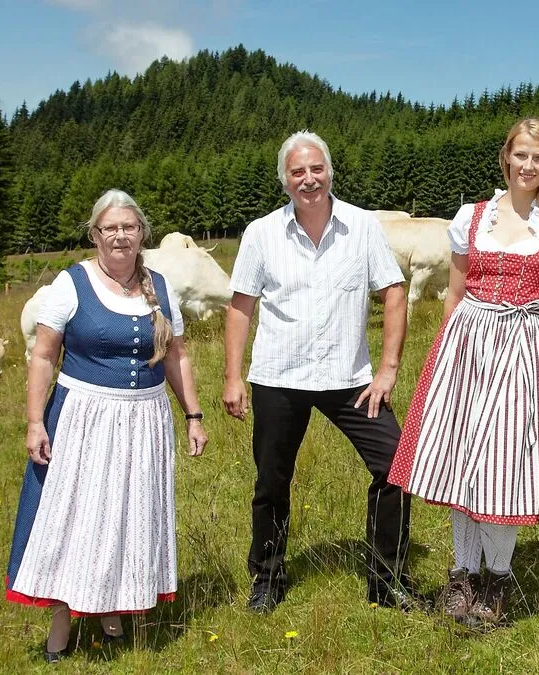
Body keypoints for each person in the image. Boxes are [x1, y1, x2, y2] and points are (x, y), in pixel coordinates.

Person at [388, 118, 539, 628]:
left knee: (503, 465)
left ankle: (496, 579)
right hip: (466, 346)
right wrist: (440, 366)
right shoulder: (471, 217)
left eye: (538, 158)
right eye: (520, 155)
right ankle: (461, 575)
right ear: (506, 157)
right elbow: (454, 295)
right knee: (461, 462)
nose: (528, 165)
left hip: (521, 346)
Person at [5, 189, 207, 663]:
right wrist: (35, 421)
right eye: (110, 228)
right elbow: (42, 354)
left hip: (146, 419)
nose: (120, 235)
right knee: (74, 515)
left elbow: (176, 354)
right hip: (85, 417)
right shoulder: (70, 283)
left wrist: (193, 415)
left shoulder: (159, 284)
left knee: (129, 512)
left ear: (142, 234)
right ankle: (62, 617)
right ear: (96, 234)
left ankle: (111, 608)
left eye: (129, 227)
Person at [223, 130, 416, 614]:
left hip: (350, 378)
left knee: (396, 464)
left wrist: (388, 369)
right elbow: (241, 305)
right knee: (271, 481)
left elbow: (394, 290)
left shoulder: (363, 226)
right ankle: (267, 577)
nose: (308, 179)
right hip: (279, 376)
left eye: (316, 169)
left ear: (330, 171)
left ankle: (385, 579)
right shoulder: (261, 233)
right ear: (284, 182)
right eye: (297, 172)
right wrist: (232, 375)